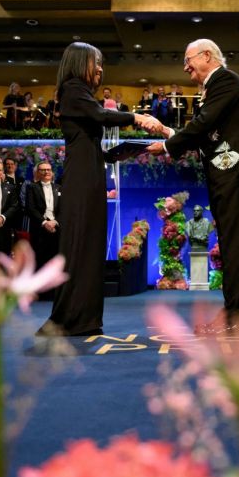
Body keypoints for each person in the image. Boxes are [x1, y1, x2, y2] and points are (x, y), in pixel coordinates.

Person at [38, 41, 160, 337]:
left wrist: (118, 153)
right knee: (80, 246)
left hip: (89, 171)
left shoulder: (78, 94)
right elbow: (101, 116)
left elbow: (88, 140)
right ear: (80, 63)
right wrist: (138, 118)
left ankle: (85, 319)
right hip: (81, 177)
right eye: (96, 62)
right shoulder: (72, 89)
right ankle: (69, 318)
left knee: (89, 247)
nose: (101, 69)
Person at [147, 38, 239, 333]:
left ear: (207, 56)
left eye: (188, 60)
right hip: (226, 178)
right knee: (230, 247)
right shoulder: (216, 88)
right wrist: (169, 132)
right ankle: (231, 314)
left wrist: (166, 145)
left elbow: (202, 125)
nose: (186, 68)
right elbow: (207, 134)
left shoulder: (225, 80)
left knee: (235, 248)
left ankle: (235, 318)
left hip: (234, 178)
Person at [26, 162, 61, 268]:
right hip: (39, 229)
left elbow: (64, 208)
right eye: (43, 170)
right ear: (38, 173)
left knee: (56, 261)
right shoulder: (31, 187)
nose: (46, 172)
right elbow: (30, 208)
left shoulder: (59, 187)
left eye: (48, 169)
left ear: (52, 172)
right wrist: (45, 223)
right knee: (39, 261)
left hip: (56, 229)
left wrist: (55, 222)